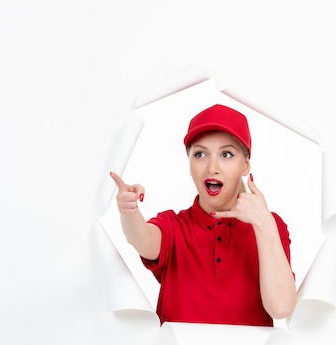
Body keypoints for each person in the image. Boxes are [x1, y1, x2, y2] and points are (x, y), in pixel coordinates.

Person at [110, 104, 296, 327]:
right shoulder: (173, 226)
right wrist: (129, 211)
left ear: (245, 166)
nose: (212, 167)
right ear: (189, 165)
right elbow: (143, 240)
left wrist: (263, 223)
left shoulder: (270, 225)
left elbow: (281, 307)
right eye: (200, 154)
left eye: (226, 154)